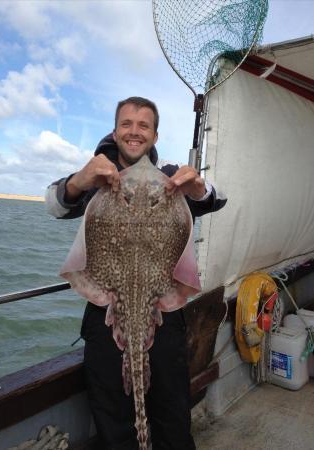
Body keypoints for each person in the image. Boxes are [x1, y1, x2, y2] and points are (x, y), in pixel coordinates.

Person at [46, 97, 226, 450]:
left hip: (163, 310)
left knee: (173, 411)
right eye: (127, 123)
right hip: (106, 309)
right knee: (113, 416)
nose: (134, 131)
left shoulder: (170, 177)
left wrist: (198, 188)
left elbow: (215, 201)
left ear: (155, 135)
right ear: (115, 132)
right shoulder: (97, 176)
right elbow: (54, 204)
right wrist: (79, 181)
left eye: (143, 125)